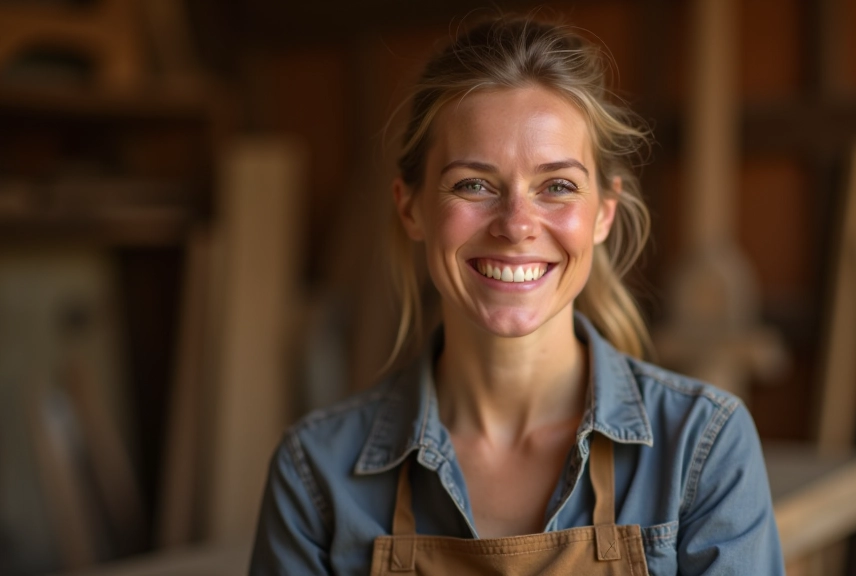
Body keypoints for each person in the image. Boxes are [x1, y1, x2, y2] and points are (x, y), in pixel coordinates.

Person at [250, 16, 784, 576]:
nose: (516, 224)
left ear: (603, 211)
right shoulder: (316, 474)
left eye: (557, 186)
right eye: (473, 184)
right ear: (411, 207)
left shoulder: (701, 448)